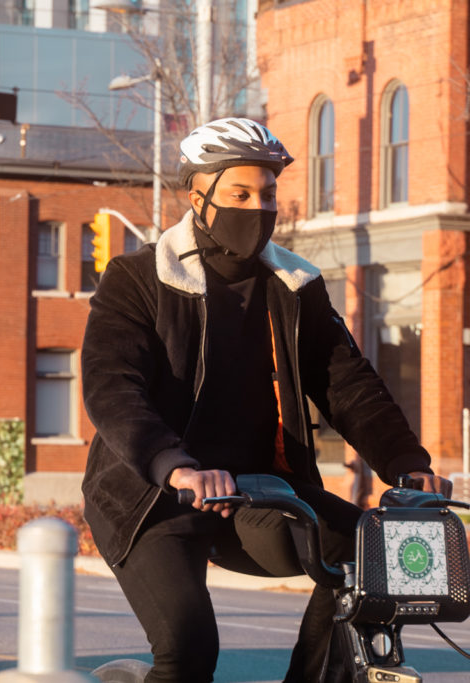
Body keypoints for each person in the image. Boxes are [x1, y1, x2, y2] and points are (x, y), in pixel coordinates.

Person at [80, 118, 451, 683]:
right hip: (153, 496)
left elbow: (347, 384)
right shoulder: (138, 278)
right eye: (240, 193)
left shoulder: (295, 286)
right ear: (198, 194)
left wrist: (407, 464)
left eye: (269, 193)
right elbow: (112, 387)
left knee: (367, 559)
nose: (258, 207)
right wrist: (174, 465)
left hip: (259, 491)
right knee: (188, 648)